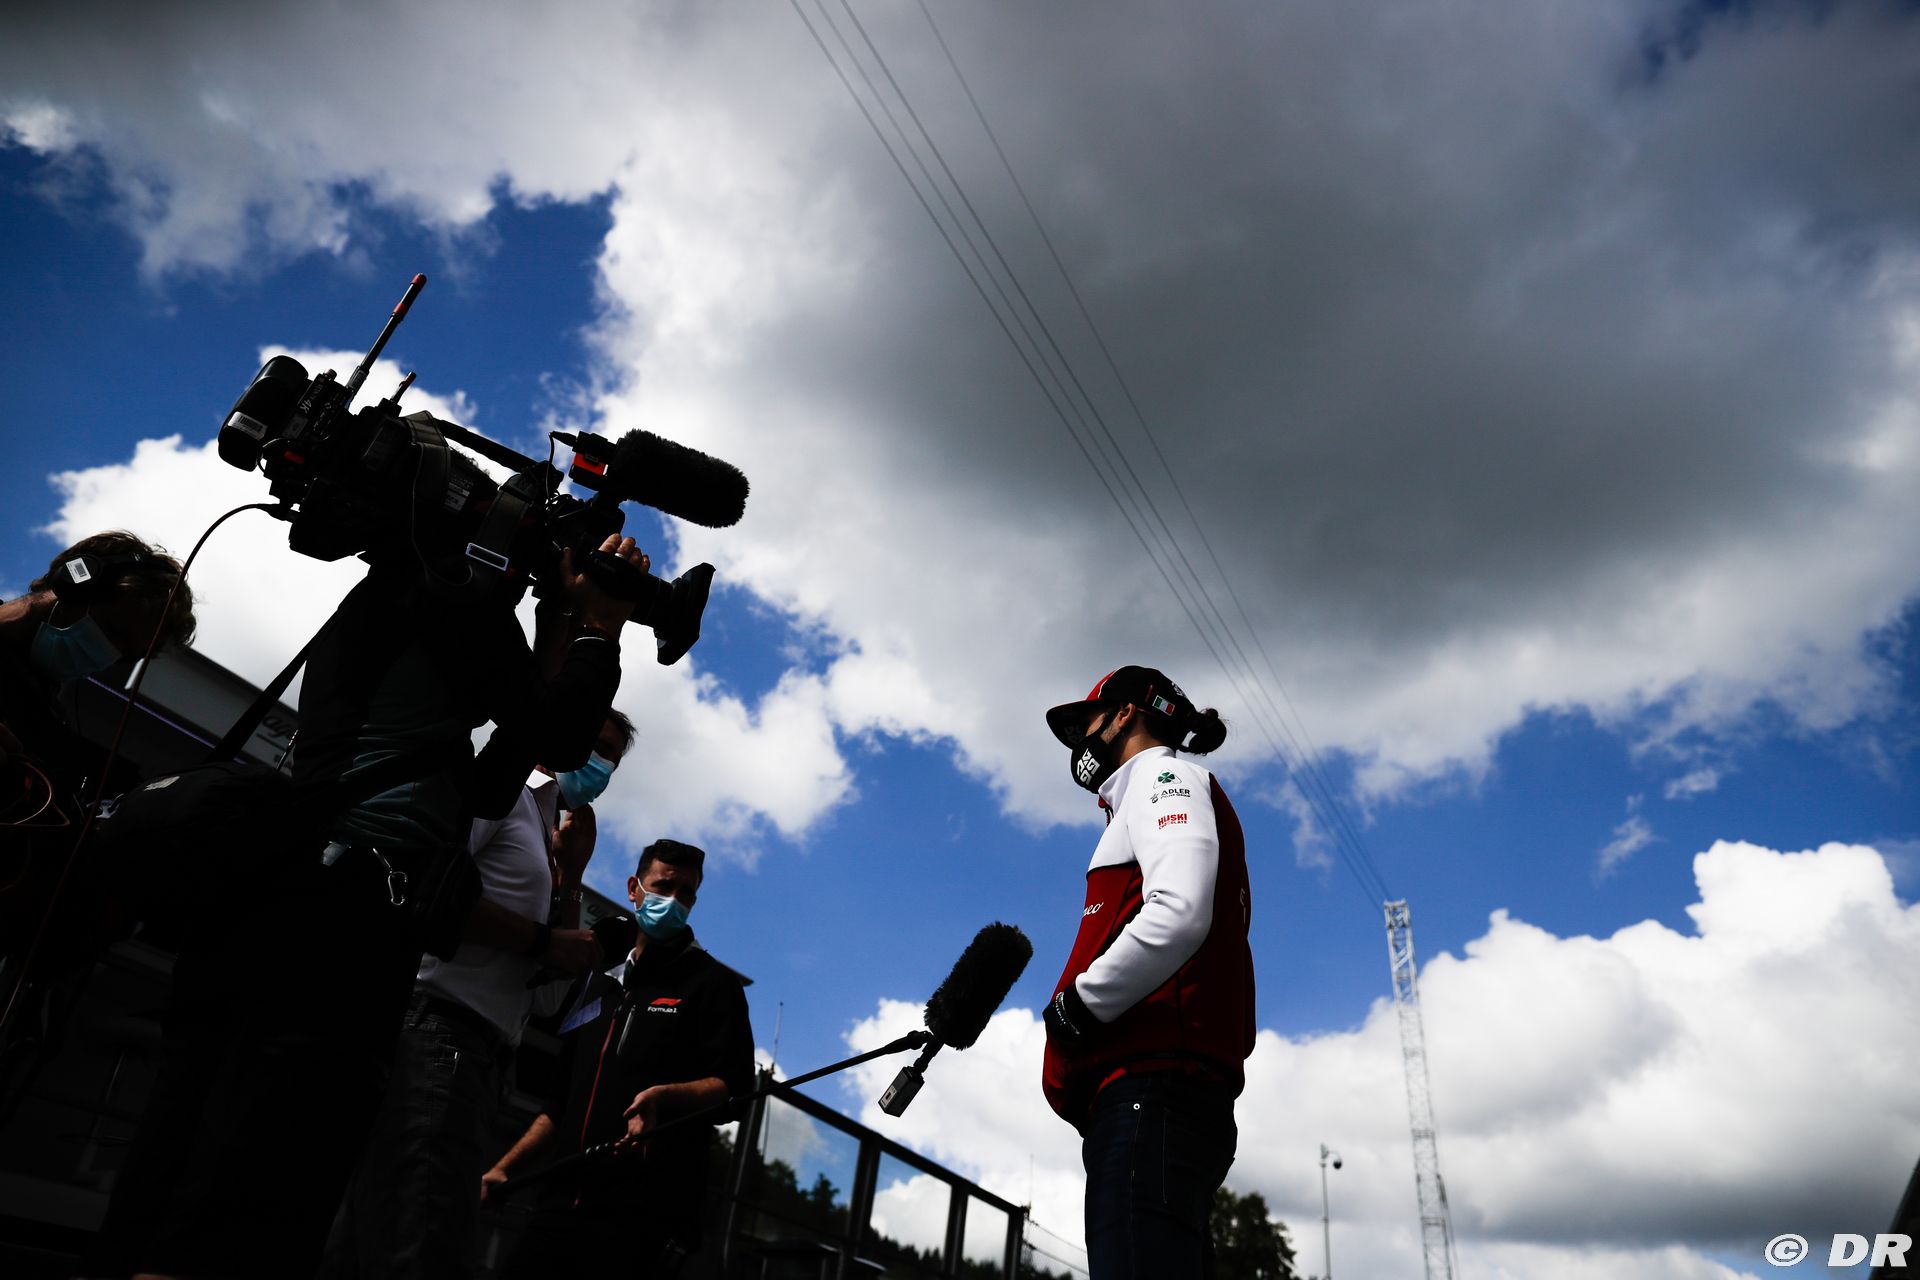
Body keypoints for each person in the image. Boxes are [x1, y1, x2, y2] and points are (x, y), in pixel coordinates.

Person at [94, 535, 649, 1280]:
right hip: (340, 912)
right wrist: (600, 626)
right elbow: (554, 730)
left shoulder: (411, 624)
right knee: (252, 1187)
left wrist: (557, 626)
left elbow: (494, 777)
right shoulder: (452, 595)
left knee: (231, 1172)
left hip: (327, 907)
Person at [318, 710, 638, 1280]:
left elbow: (547, 1000)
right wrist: (542, 939)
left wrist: (570, 876)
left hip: (483, 1059)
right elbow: (426, 890)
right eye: (594, 743)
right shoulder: (502, 793)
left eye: (611, 756)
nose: (600, 761)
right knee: (424, 1244)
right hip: (438, 1033)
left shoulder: (549, 841)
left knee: (369, 1243)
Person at [1038, 665, 1255, 1279]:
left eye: (1085, 723)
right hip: (1150, 1098)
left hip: (1152, 1093)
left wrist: (1080, 1005)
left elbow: (1180, 911)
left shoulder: (1166, 776)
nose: (1080, 741)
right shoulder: (1146, 794)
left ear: (1125, 713)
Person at [484, 839, 755, 1279]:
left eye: (686, 893)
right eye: (663, 887)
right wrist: (504, 1168)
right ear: (634, 888)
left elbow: (736, 1088)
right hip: (557, 1208)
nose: (674, 901)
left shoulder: (712, 985)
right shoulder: (598, 982)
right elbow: (559, 1104)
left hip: (643, 1222)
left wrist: (665, 1097)